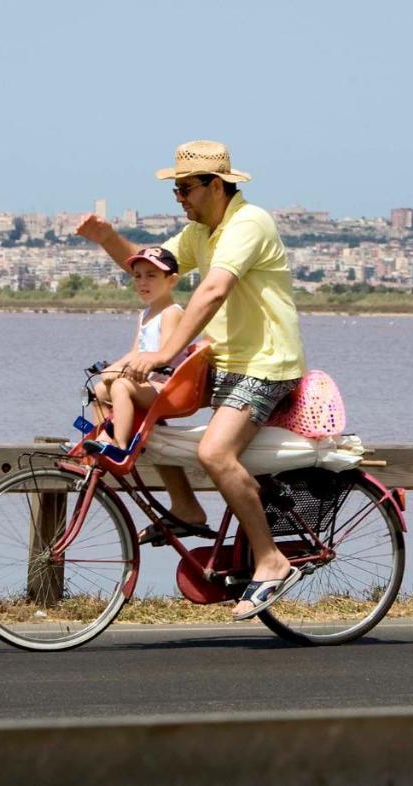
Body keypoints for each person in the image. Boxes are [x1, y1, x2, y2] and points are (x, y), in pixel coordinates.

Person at [75, 140, 308, 620]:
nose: (178, 197)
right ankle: (186, 508)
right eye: (175, 189)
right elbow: (150, 266)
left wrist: (164, 352)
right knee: (137, 408)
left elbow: (214, 290)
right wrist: (107, 238)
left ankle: (271, 561)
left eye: (184, 188)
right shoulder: (200, 232)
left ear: (215, 185)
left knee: (214, 453)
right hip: (221, 364)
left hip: (265, 365)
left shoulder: (248, 223)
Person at [86, 246, 190, 456]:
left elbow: (165, 354)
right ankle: (103, 435)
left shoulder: (172, 313)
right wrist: (113, 368)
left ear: (171, 280)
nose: (143, 282)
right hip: (145, 382)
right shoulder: (146, 314)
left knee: (121, 387)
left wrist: (125, 373)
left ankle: (120, 445)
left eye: (151, 276)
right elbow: (136, 351)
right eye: (138, 276)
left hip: (166, 387)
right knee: (99, 390)